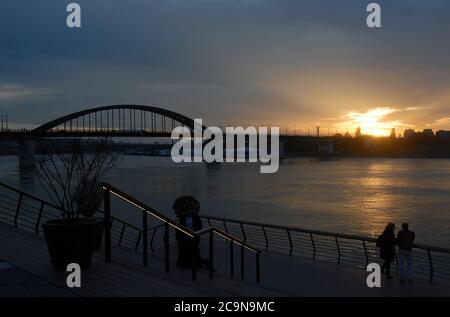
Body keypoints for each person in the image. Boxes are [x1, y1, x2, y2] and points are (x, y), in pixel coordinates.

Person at [172, 196, 208, 269]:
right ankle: (185, 263)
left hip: (194, 235)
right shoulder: (183, 217)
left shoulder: (195, 217)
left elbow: (199, 225)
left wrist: (195, 230)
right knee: (185, 249)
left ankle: (195, 263)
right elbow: (179, 228)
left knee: (194, 250)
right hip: (185, 236)